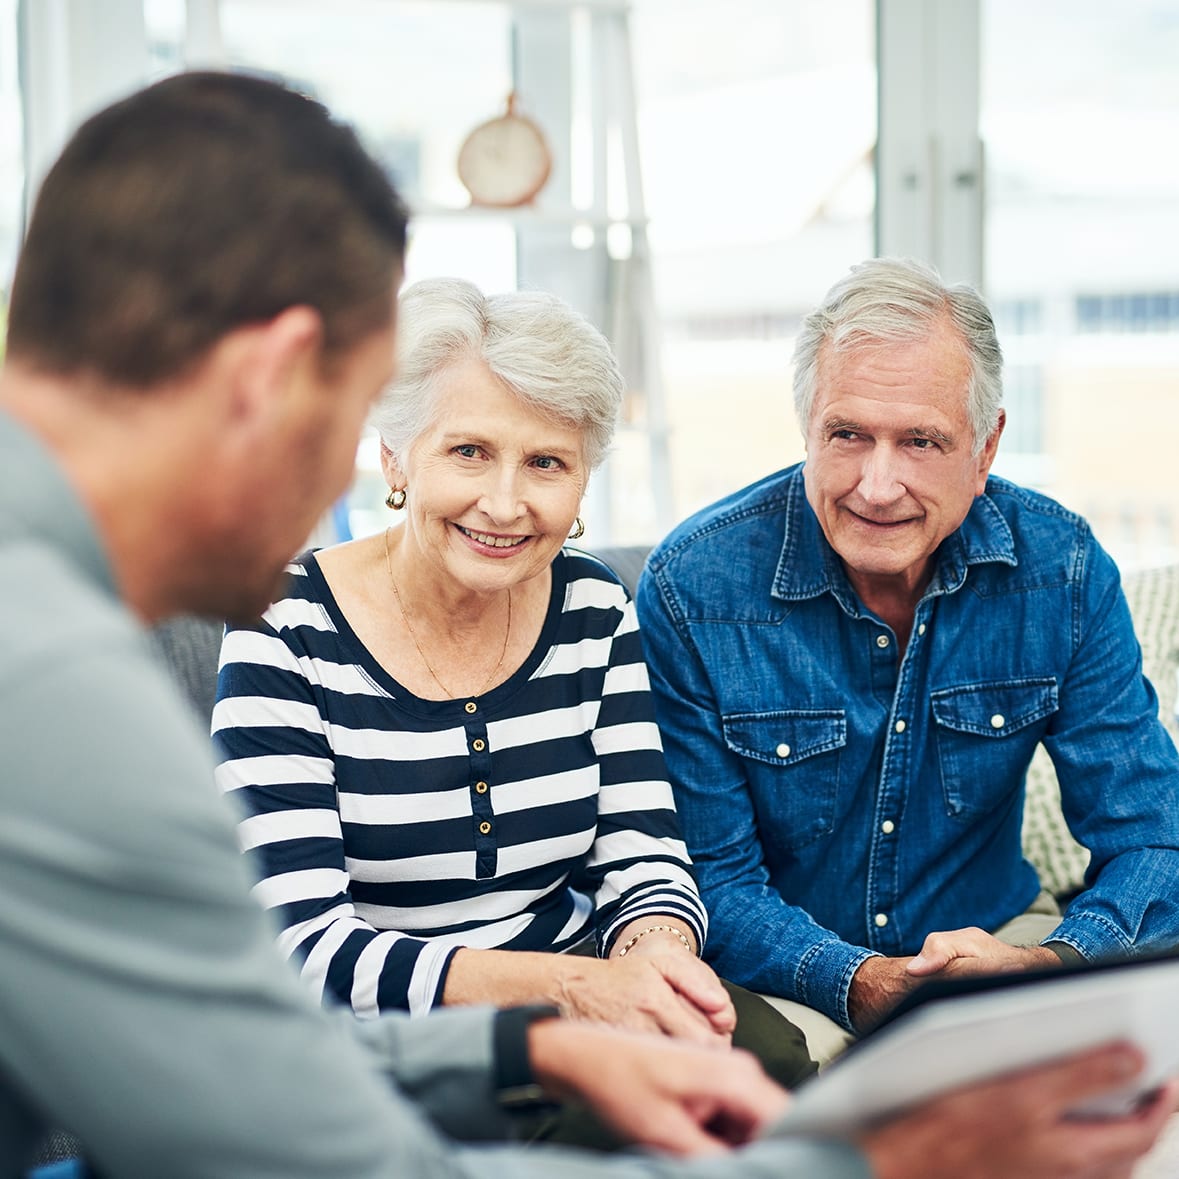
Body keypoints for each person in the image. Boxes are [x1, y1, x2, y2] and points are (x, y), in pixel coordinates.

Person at [1, 72, 1174, 1179]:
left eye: (546, 461)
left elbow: (235, 1055)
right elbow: (321, 1140)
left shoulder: (53, 633)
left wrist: (534, 1042)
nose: (348, 494)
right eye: (373, 425)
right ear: (275, 376)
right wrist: (858, 1161)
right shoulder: (65, 693)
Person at [211, 275, 814, 1095]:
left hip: (584, 989)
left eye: (545, 462)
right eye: (468, 451)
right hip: (385, 1037)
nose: (504, 503)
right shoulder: (280, 622)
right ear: (394, 456)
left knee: (762, 1064)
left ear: (581, 484)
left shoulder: (592, 604)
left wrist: (655, 958)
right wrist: (565, 987)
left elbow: (645, 850)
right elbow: (300, 942)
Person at [634, 255, 1179, 1064]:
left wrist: (1048, 964)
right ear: (806, 427)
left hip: (1001, 943)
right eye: (847, 434)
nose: (877, 485)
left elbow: (1151, 837)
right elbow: (710, 878)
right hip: (778, 978)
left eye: (920, 441)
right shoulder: (693, 587)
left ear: (986, 446)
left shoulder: (1059, 569)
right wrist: (857, 978)